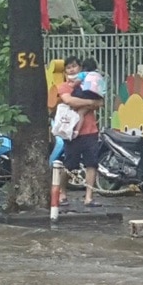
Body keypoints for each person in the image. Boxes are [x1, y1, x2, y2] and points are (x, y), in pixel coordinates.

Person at [54, 56, 104, 208]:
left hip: (90, 130)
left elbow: (101, 101)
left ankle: (89, 197)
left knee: (92, 163)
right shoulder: (63, 87)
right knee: (70, 164)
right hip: (71, 132)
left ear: (80, 68)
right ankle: (62, 193)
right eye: (68, 68)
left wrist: (88, 104)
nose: (72, 70)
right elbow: (69, 101)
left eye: (74, 66)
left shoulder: (89, 83)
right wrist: (90, 103)